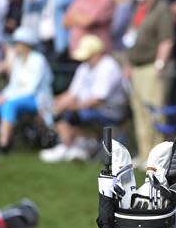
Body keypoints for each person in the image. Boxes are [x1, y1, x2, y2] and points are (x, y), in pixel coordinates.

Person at [40, 35, 126, 163]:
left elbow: (98, 99)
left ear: (97, 53)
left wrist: (70, 106)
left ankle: (76, 146)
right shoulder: (85, 67)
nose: (85, 59)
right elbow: (72, 93)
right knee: (58, 111)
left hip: (109, 111)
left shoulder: (109, 67)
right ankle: (68, 146)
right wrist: (55, 103)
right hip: (89, 107)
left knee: (74, 114)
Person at [125, 0, 174, 167]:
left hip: (151, 67)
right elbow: (130, 38)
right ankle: (144, 154)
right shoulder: (140, 9)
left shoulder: (162, 9)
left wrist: (160, 64)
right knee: (140, 113)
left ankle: (156, 158)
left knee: (154, 112)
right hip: (136, 68)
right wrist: (128, 64)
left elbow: (166, 39)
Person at [0, 27, 53, 153]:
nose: (15, 46)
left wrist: (6, 97)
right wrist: (3, 95)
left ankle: (3, 145)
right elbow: (13, 86)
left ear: (25, 44)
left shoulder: (38, 60)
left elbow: (31, 89)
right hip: (16, 97)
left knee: (9, 105)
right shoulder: (18, 60)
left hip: (36, 100)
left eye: (17, 43)